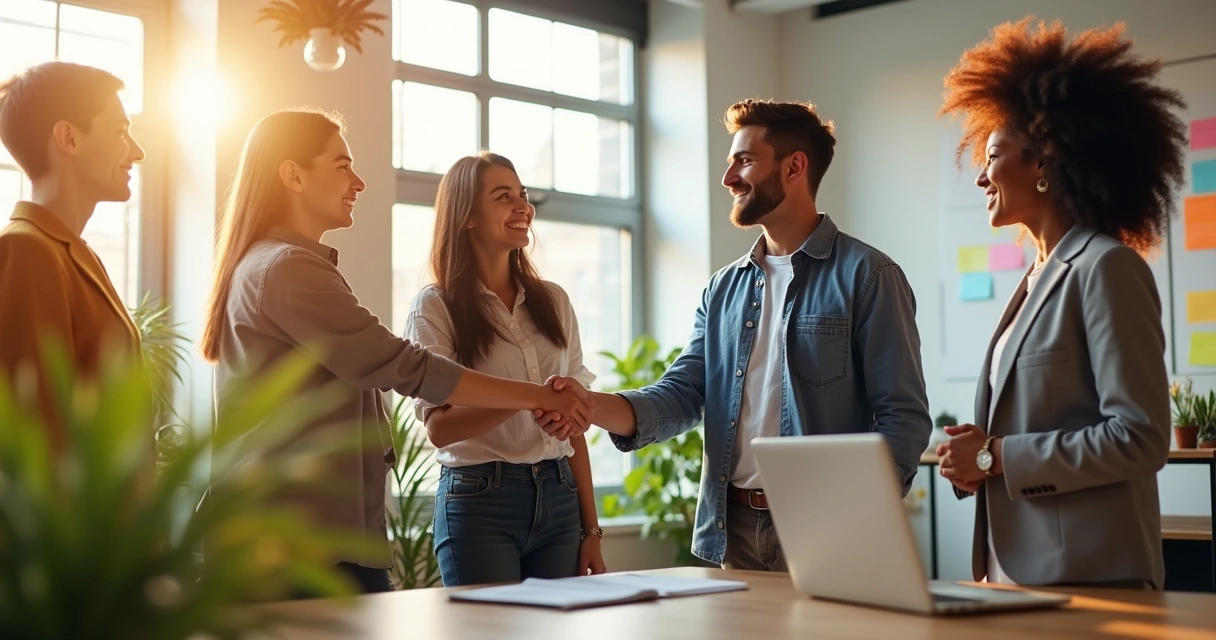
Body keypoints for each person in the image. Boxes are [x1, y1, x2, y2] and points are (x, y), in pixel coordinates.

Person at [201, 109, 590, 595]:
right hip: (298, 542)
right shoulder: (286, 269)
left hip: (312, 536)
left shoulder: (281, 264)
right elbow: (403, 366)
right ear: (293, 174)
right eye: (343, 166)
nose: (358, 182)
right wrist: (537, 396)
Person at [546, 99, 932, 571]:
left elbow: (904, 419)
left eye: (744, 161)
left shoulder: (868, 276)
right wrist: (589, 406)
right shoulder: (723, 288)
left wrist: (854, 519)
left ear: (794, 167)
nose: (728, 178)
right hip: (734, 535)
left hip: (829, 531)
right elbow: (683, 395)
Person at [936, 17, 1181, 589]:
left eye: (993, 155)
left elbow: (1140, 436)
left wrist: (995, 456)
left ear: (1043, 162)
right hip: (1013, 575)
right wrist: (975, 462)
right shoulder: (1035, 279)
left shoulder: (1106, 268)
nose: (981, 177)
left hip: (1089, 582)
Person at [405, 152, 606, 586]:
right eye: (503, 197)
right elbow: (440, 428)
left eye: (523, 195)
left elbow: (573, 430)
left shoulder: (554, 302)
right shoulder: (436, 306)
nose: (523, 208)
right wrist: (530, 396)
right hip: (480, 501)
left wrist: (592, 530)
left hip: (560, 496)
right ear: (468, 217)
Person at [0, 61, 144, 448]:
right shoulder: (28, 250)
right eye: (120, 132)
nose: (138, 152)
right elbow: (36, 437)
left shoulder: (72, 253)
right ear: (68, 137)